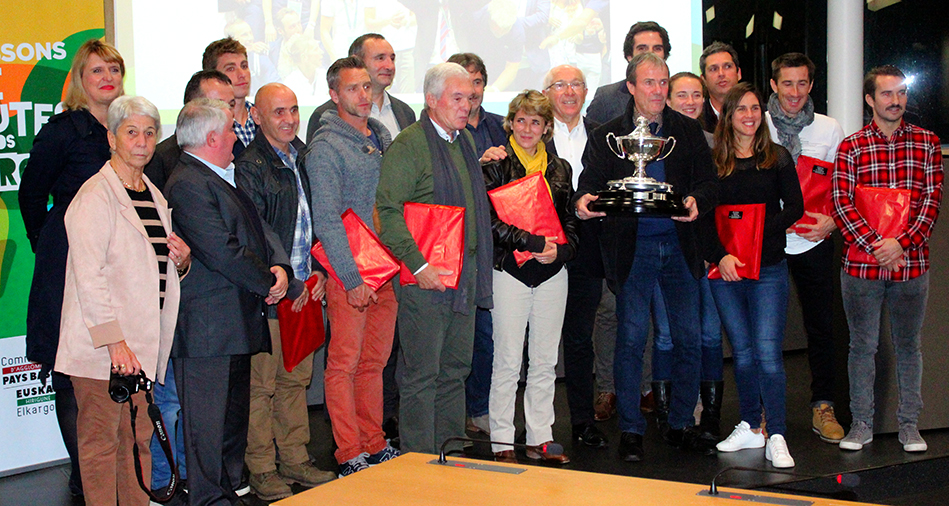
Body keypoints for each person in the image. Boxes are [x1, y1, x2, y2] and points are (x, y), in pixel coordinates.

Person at [575, 52, 718, 462]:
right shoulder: (606, 135)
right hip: (632, 250)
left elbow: (709, 184)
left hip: (679, 247)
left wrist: (695, 201)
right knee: (632, 339)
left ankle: (679, 425)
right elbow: (589, 185)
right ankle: (632, 431)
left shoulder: (687, 132)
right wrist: (583, 202)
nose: (658, 90)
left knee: (689, 338)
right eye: (650, 83)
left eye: (663, 82)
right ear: (631, 88)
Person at [55, 95, 190, 506]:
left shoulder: (151, 193)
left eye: (150, 133)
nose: (142, 141)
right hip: (103, 350)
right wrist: (114, 342)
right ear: (112, 138)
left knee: (138, 442)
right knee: (101, 444)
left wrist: (181, 263)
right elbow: (88, 276)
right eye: (131, 132)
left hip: (140, 347)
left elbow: (149, 269)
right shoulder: (95, 195)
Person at [164, 98, 299, 505]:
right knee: (206, 430)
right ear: (210, 138)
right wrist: (268, 282)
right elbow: (222, 250)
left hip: (232, 324)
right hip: (207, 331)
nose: (235, 139)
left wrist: (280, 270)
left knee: (227, 427)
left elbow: (257, 231)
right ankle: (209, 499)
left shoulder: (219, 176)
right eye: (228, 132)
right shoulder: (188, 183)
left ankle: (223, 494)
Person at [18, 39, 127, 499]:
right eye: (97, 71)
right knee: (72, 370)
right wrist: (48, 243)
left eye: (114, 70)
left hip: (121, 263)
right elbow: (30, 193)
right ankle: (86, 481)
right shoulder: (64, 130)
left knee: (115, 366)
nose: (107, 78)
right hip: (69, 261)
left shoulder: (130, 128)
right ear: (81, 80)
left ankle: (119, 478)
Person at [375, 62, 494, 454]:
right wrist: (419, 265)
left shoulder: (462, 141)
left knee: (455, 373)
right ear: (431, 100)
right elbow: (387, 212)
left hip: (463, 280)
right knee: (421, 377)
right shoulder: (410, 145)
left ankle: (451, 454)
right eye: (457, 98)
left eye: (471, 98)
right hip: (426, 283)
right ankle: (419, 464)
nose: (466, 106)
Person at [834, 65, 943, 453]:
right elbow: (842, 205)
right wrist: (878, 245)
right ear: (870, 99)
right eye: (886, 94)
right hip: (862, 266)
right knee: (862, 347)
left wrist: (901, 244)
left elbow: (931, 202)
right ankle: (861, 424)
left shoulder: (927, 143)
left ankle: (909, 426)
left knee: (909, 346)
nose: (895, 101)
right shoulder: (851, 146)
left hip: (911, 265)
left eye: (900, 93)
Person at [234, 83, 336, 500]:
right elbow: (258, 228)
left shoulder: (304, 156)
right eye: (278, 112)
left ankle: (295, 459)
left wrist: (319, 271)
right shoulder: (249, 164)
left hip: (306, 290)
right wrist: (290, 279)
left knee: (296, 380)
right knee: (263, 386)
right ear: (256, 115)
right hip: (273, 293)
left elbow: (316, 220)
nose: (289, 119)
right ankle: (261, 468)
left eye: (293, 110)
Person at [307, 56, 401, 476]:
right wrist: (348, 277)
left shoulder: (381, 136)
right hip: (351, 274)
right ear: (333, 95)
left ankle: (373, 441)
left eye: (366, 86)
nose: (363, 95)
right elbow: (326, 218)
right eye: (352, 88)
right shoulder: (326, 146)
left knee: (374, 363)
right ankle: (349, 451)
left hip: (384, 270)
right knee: (343, 364)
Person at [707, 83, 803, 469]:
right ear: (727, 116)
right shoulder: (712, 161)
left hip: (768, 267)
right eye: (740, 109)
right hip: (726, 270)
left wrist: (757, 237)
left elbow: (793, 208)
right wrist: (722, 255)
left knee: (767, 355)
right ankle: (750, 424)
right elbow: (702, 217)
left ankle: (776, 432)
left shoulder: (776, 157)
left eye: (754, 108)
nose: (749, 115)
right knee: (742, 354)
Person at [482, 90, 578, 464]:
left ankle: (541, 436)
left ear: (547, 127)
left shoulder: (560, 168)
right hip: (511, 272)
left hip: (553, 272)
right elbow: (490, 223)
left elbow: (570, 221)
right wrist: (535, 241)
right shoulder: (494, 165)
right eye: (520, 120)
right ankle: (502, 440)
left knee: (544, 361)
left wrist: (562, 249)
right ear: (510, 122)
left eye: (535, 121)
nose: (527, 128)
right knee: (506, 360)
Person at [765, 52, 846, 444]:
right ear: (773, 85)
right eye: (787, 83)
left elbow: (843, 185)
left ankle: (823, 405)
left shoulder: (830, 129)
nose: (794, 92)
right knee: (767, 334)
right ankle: (763, 411)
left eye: (802, 83)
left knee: (822, 327)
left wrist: (833, 219)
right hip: (768, 242)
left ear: (811, 86)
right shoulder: (755, 122)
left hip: (814, 240)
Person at [541, 64, 606, 448]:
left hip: (588, 250)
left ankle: (582, 422)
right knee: (540, 344)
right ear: (547, 92)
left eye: (576, 84)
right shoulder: (529, 132)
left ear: (586, 91)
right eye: (560, 85)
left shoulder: (605, 135)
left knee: (581, 340)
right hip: (543, 251)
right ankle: (539, 426)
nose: (569, 91)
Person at [447, 52, 506, 437]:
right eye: (463, 86)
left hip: (494, 241)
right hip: (451, 244)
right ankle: (457, 413)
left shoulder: (502, 126)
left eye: (478, 83)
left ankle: (480, 408)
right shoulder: (443, 131)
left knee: (487, 332)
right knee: (455, 336)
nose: (471, 94)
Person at [665, 71, 724, 443]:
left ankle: (709, 412)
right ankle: (678, 412)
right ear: (667, 99)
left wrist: (711, 252)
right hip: (673, 250)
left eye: (696, 95)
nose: (690, 102)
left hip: (711, 251)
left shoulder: (718, 142)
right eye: (681, 94)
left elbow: (715, 202)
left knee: (710, 333)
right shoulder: (661, 143)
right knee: (672, 336)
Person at [308, 33, 416, 142]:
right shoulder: (323, 115)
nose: (389, 66)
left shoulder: (405, 112)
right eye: (380, 58)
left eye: (392, 59)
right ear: (357, 61)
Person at [144, 70, 239, 191]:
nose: (228, 112)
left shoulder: (233, 146)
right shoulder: (160, 159)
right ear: (193, 107)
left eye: (231, 105)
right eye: (217, 105)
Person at [585, 21, 669, 124]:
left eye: (657, 49)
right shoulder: (606, 98)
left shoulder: (678, 94)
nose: (650, 54)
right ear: (629, 56)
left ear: (665, 55)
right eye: (642, 49)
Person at [203, 37, 258, 153]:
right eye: (231, 69)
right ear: (213, 76)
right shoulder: (204, 124)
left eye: (244, 66)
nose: (242, 74)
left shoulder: (263, 117)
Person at [699, 41, 742, 133]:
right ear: (703, 79)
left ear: (738, 73)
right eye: (714, 69)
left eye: (727, 66)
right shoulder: (696, 120)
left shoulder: (758, 115)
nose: (721, 74)